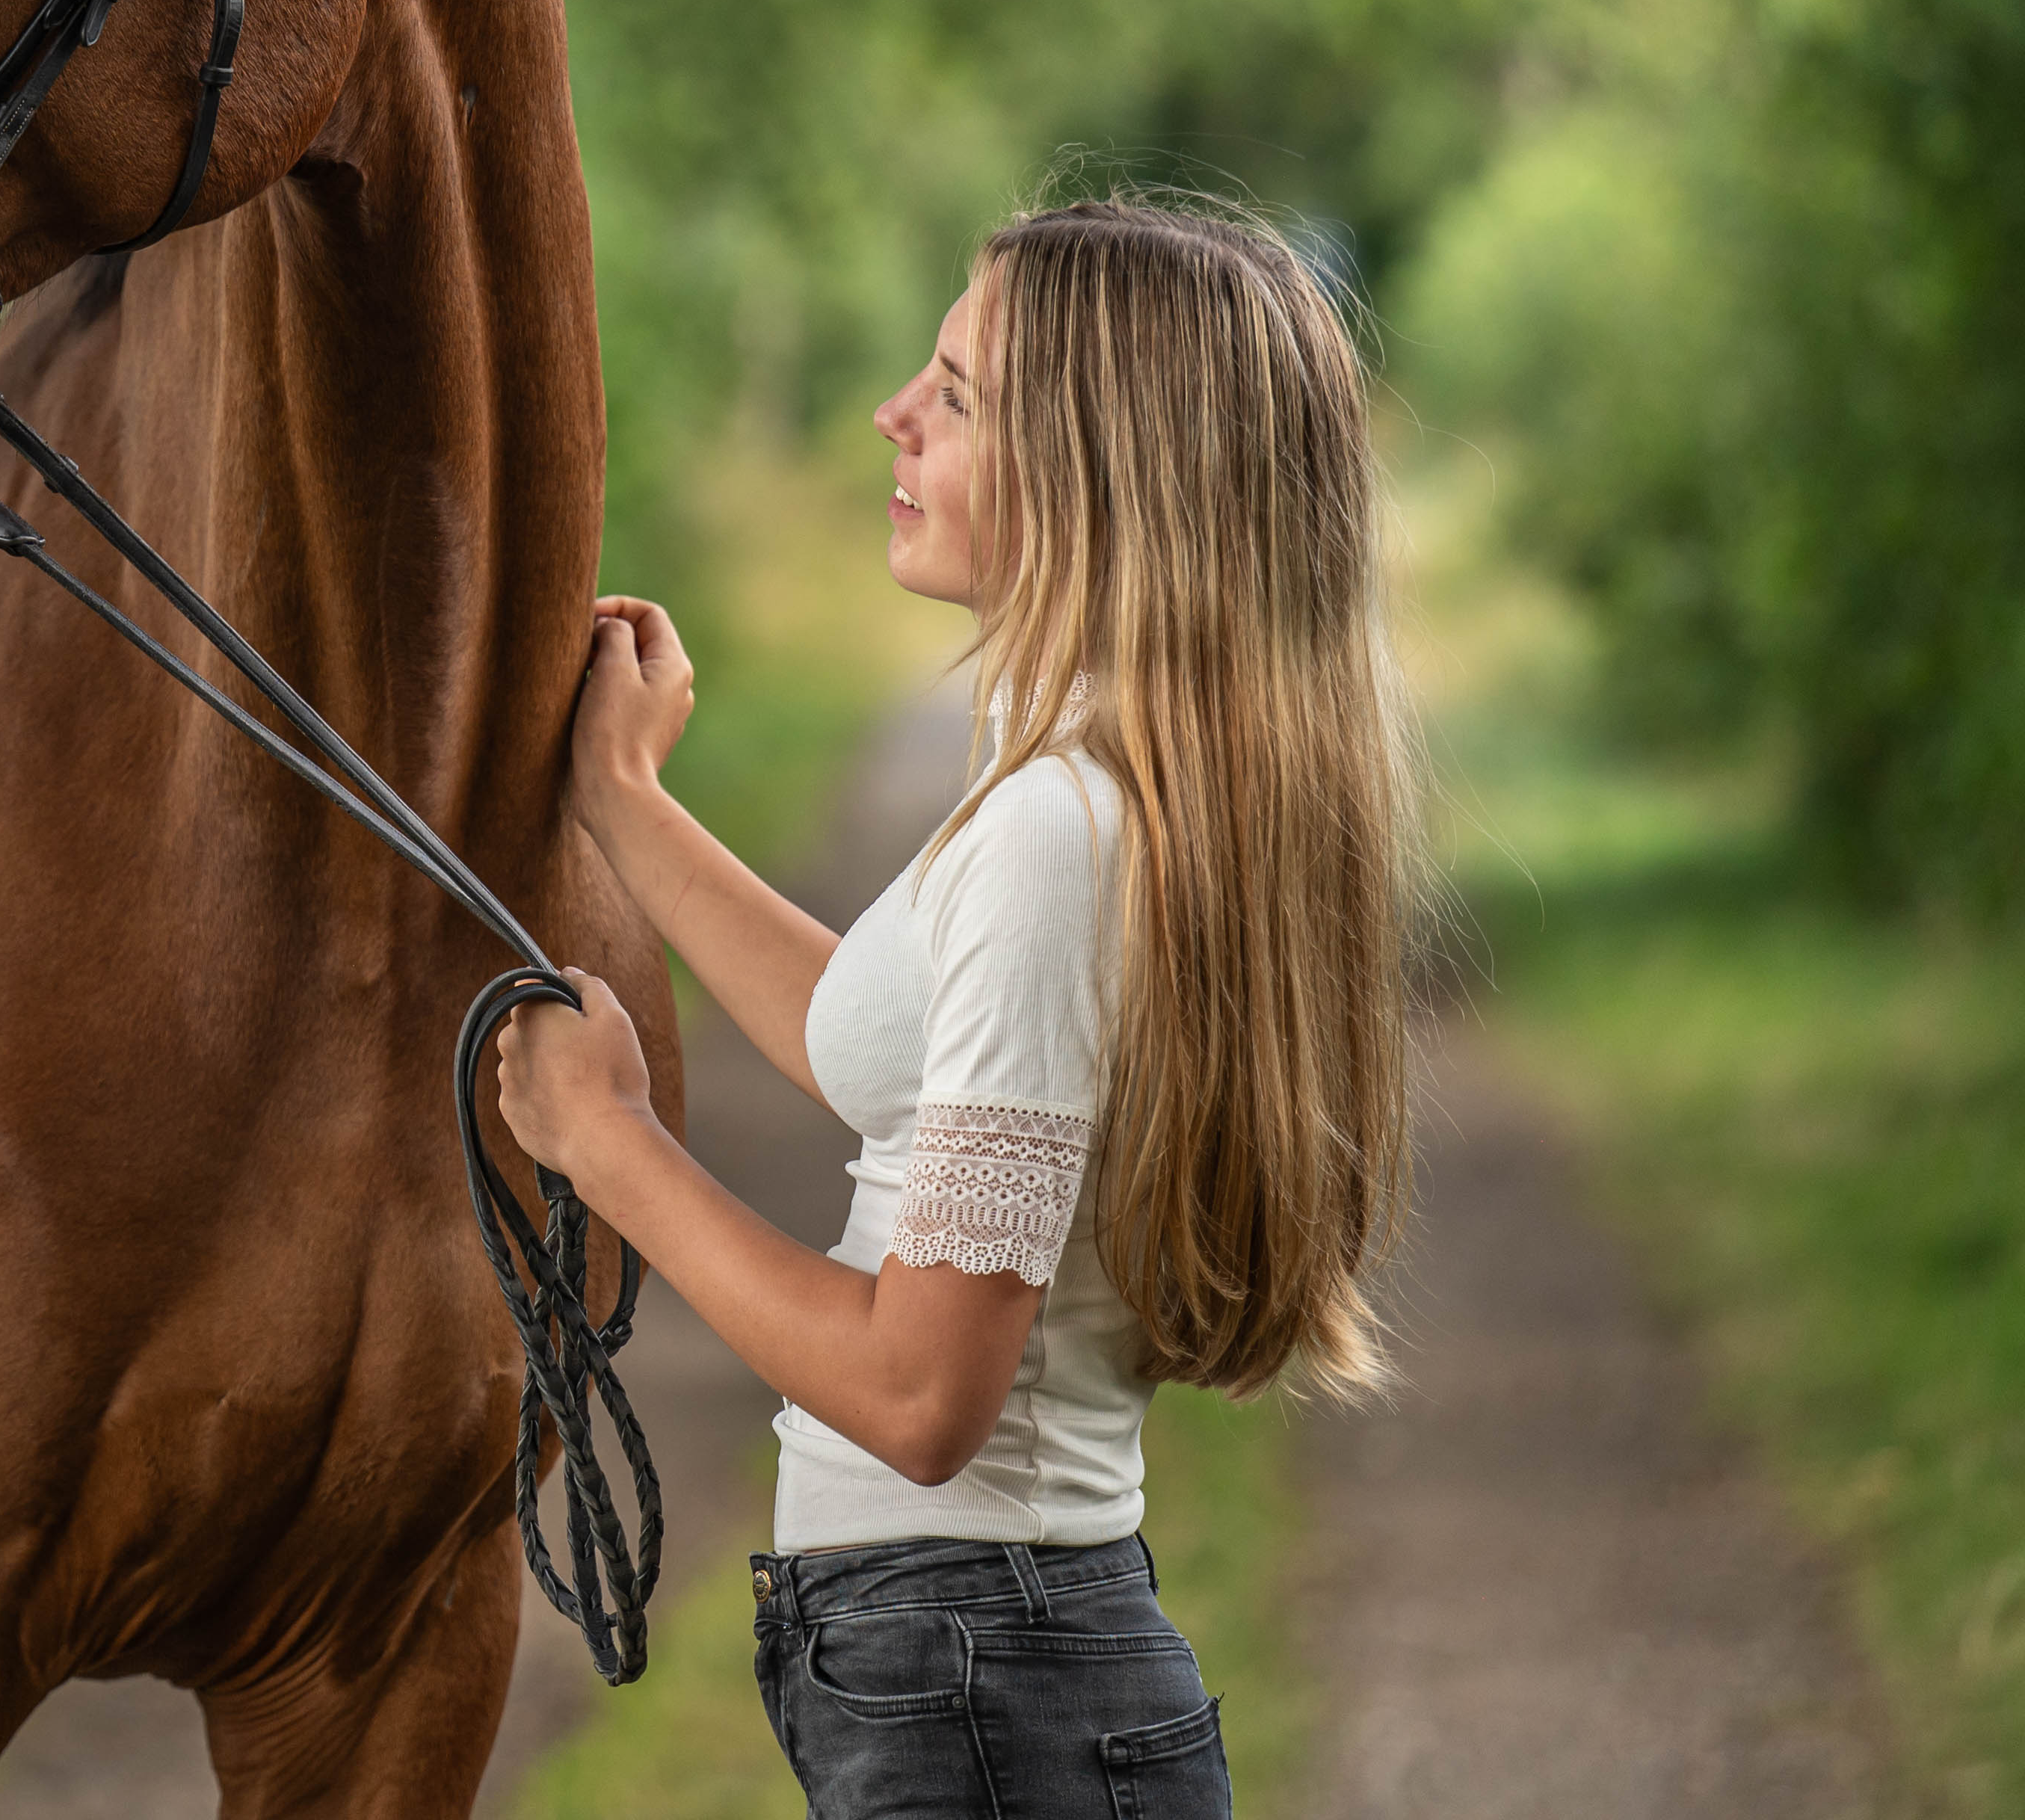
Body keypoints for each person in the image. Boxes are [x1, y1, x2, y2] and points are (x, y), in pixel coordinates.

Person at [494, 195, 1417, 1818]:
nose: (893, 416)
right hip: (981, 1656)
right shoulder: (1089, 791)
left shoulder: (1059, 837)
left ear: (1100, 476)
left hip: (978, 1665)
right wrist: (628, 805)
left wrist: (610, 1143)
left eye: (960, 393)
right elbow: (887, 1042)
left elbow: (925, 1397)